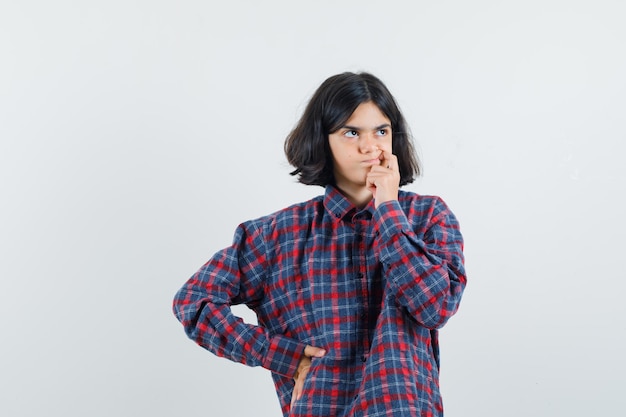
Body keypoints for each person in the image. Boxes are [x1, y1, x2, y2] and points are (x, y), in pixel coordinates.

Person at [172, 72, 467, 417]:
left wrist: (388, 208)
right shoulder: (276, 236)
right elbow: (193, 302)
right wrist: (283, 356)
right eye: (351, 132)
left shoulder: (427, 216)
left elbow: (434, 307)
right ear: (323, 140)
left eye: (381, 131)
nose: (371, 146)